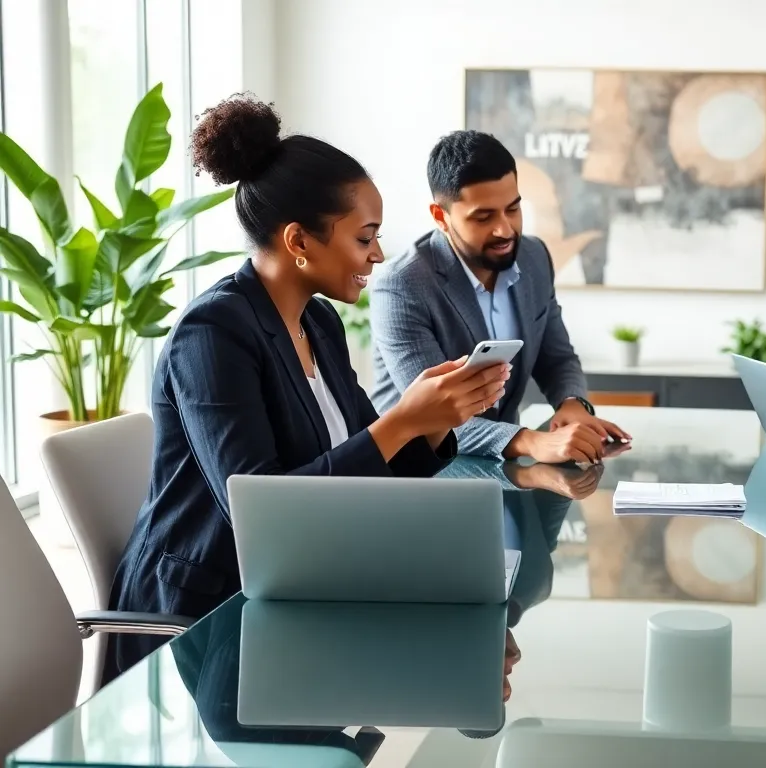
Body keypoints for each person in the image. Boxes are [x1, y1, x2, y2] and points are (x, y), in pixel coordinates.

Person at [104, 95, 510, 682]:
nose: (377, 255)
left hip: (295, 595)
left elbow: (363, 474)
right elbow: (263, 515)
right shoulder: (212, 334)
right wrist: (401, 422)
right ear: (298, 241)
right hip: (205, 622)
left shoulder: (318, 322)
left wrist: (434, 420)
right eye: (364, 237)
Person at [370, 130, 628, 464]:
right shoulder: (402, 285)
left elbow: (558, 358)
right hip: (417, 476)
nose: (505, 229)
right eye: (484, 216)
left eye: (513, 209)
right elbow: (434, 414)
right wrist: (533, 442)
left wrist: (572, 405)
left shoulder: (534, 258)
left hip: (503, 471)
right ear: (441, 217)